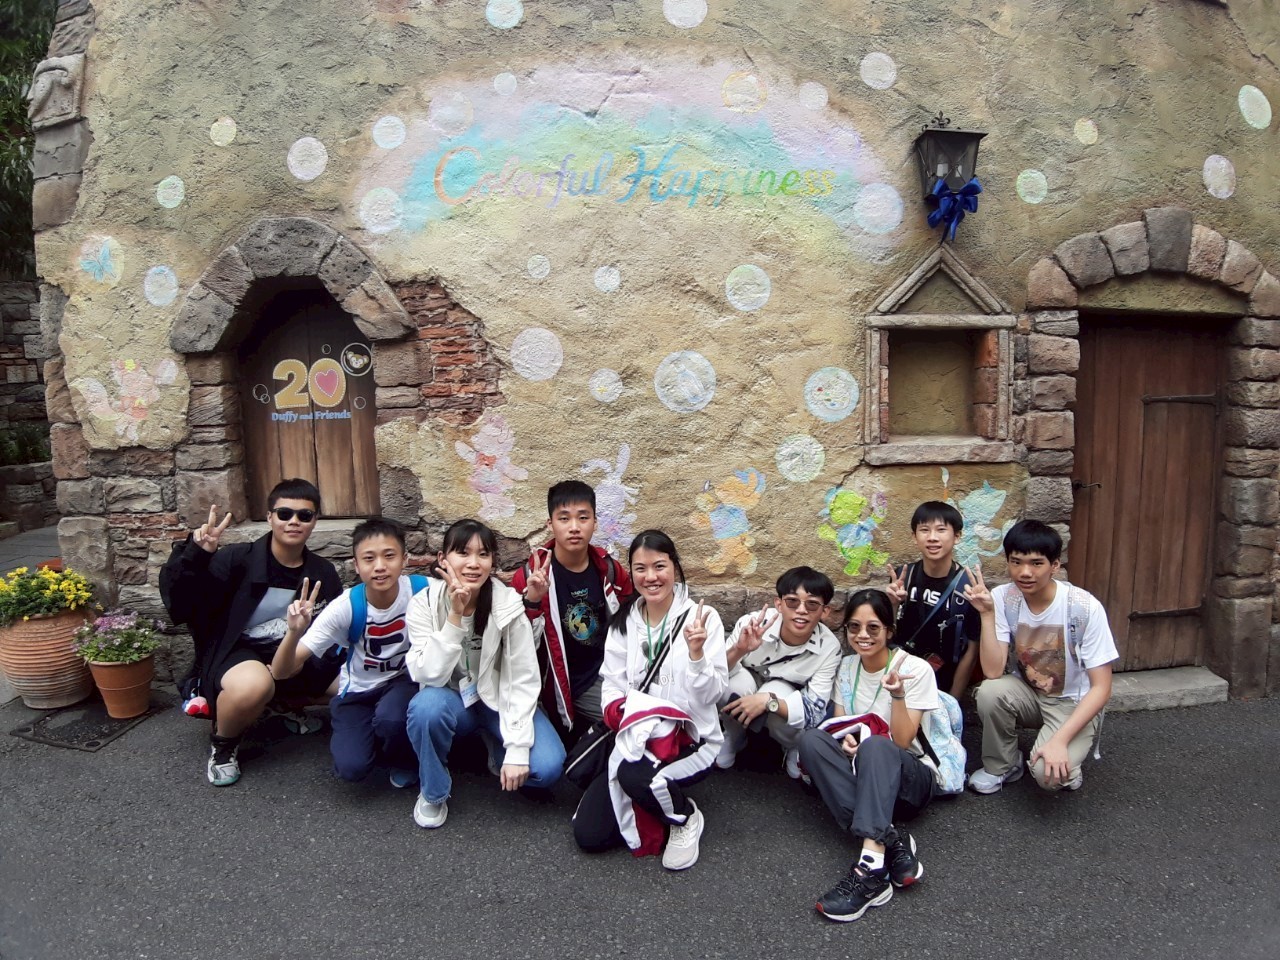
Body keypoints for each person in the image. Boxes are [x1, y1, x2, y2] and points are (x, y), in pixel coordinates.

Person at [160, 479, 343, 787]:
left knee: (350, 684)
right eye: (284, 513)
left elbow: (331, 630)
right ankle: (224, 742)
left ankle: (280, 706)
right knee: (254, 686)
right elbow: (185, 604)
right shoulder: (237, 559)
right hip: (237, 652)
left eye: (304, 515)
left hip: (290, 653)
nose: (294, 521)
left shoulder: (322, 572)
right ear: (270, 517)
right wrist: (197, 555)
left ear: (314, 521)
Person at [572, 530, 729, 871]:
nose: (651, 577)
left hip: (691, 739)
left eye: (659, 566)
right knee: (589, 835)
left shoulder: (702, 620)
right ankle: (648, 798)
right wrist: (619, 714)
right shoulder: (624, 621)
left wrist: (697, 655)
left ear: (675, 567)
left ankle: (685, 817)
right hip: (637, 735)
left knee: (636, 778)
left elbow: (713, 695)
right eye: (640, 568)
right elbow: (612, 685)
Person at [404, 519, 565, 829]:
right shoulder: (423, 604)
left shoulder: (508, 605)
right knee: (425, 708)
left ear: (493, 561)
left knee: (546, 768)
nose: (473, 563)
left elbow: (522, 676)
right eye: (463, 553)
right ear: (443, 559)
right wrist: (454, 617)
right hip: (453, 701)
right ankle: (434, 791)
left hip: (499, 701)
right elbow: (428, 674)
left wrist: (517, 749)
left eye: (483, 554)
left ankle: (496, 741)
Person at [798, 588, 938, 922]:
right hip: (865, 778)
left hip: (910, 780)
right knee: (810, 740)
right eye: (854, 627)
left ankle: (871, 870)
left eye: (873, 628)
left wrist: (899, 695)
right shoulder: (847, 668)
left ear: (889, 631)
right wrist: (846, 744)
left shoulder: (915, 669)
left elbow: (902, 741)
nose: (863, 635)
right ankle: (890, 837)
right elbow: (841, 725)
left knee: (876, 744)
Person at [961, 519, 1117, 794]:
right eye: (1016, 562)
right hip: (1029, 694)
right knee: (990, 691)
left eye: (1036, 563)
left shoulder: (1083, 607)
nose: (1025, 572)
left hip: (1072, 703)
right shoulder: (1003, 598)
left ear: (1054, 566)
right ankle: (1004, 765)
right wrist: (986, 614)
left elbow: (1102, 688)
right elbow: (993, 672)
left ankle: (1069, 762)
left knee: (1048, 776)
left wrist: (1060, 741)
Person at [270, 518, 426, 788]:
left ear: (405, 559)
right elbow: (281, 672)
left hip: (403, 681)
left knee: (391, 717)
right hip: (358, 692)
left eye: (389, 556)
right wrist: (294, 632)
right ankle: (376, 734)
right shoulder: (345, 606)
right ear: (356, 565)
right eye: (369, 558)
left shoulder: (423, 590)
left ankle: (402, 756)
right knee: (351, 768)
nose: (380, 566)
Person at [510, 480, 632, 740]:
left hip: (610, 670)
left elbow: (632, 616)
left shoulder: (608, 569)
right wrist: (533, 601)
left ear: (595, 522)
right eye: (564, 518)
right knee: (632, 722)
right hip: (566, 682)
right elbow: (516, 645)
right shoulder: (530, 576)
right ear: (550, 524)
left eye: (583, 518)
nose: (574, 527)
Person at [717, 566, 841, 778]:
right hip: (749, 682)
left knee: (779, 696)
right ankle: (735, 736)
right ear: (779, 604)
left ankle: (792, 744)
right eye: (792, 601)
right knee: (731, 685)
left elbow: (815, 711)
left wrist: (769, 701)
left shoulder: (829, 647)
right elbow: (714, 675)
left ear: (825, 611)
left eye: (812, 604)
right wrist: (739, 650)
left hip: (783, 695)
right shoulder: (752, 624)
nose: (801, 610)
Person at [883, 501, 980, 699]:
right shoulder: (903, 577)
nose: (932, 537)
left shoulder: (968, 586)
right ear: (914, 536)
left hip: (943, 682)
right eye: (924, 530)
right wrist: (892, 604)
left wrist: (952, 701)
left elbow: (971, 651)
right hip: (902, 677)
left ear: (957, 536)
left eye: (941, 530)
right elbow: (887, 632)